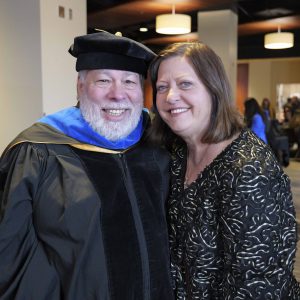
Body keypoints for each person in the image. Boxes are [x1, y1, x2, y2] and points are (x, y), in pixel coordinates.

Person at [0, 31, 174, 299]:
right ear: (80, 87)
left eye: (129, 81)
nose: (117, 94)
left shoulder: (159, 144)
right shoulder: (37, 152)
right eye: (103, 80)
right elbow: (12, 256)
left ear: (141, 91)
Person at [148, 41, 300, 299]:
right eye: (162, 87)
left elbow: (258, 285)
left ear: (213, 89)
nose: (171, 96)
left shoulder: (249, 169)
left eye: (185, 84)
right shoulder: (176, 152)